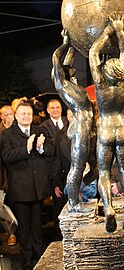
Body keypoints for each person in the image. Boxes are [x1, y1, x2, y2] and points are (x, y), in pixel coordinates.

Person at [89, 16, 124, 233]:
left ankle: (109, 208)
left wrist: (108, 31)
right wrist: (120, 31)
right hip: (122, 127)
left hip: (106, 128)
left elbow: (93, 53)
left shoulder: (100, 83)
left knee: (105, 173)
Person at [1, 102, 54, 270]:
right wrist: (27, 147)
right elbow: (7, 156)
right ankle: (26, 260)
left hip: (37, 188)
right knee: (24, 229)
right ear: (16, 116)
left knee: (37, 227)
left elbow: (50, 151)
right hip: (20, 189)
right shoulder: (7, 134)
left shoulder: (39, 130)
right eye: (22, 114)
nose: (26, 116)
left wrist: (40, 148)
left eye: (29, 114)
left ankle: (40, 257)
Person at [52, 32, 98, 212]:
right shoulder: (62, 85)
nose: (73, 70)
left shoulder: (75, 87)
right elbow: (57, 59)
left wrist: (72, 47)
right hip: (79, 128)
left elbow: (67, 64)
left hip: (88, 128)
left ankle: (78, 189)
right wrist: (65, 43)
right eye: (69, 70)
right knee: (77, 167)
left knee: (95, 169)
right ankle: (73, 202)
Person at [40, 99, 69, 238]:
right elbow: (47, 152)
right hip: (54, 171)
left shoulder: (69, 121)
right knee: (58, 204)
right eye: (52, 107)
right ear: (47, 110)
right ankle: (59, 234)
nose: (55, 109)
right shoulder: (43, 127)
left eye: (57, 107)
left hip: (70, 169)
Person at [0, 105, 17, 246]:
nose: (9, 117)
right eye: (5, 115)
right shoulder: (1, 132)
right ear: (1, 117)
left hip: (17, 173)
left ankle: (17, 232)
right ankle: (10, 233)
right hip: (3, 174)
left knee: (16, 204)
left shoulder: (18, 129)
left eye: (10, 113)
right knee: (4, 205)